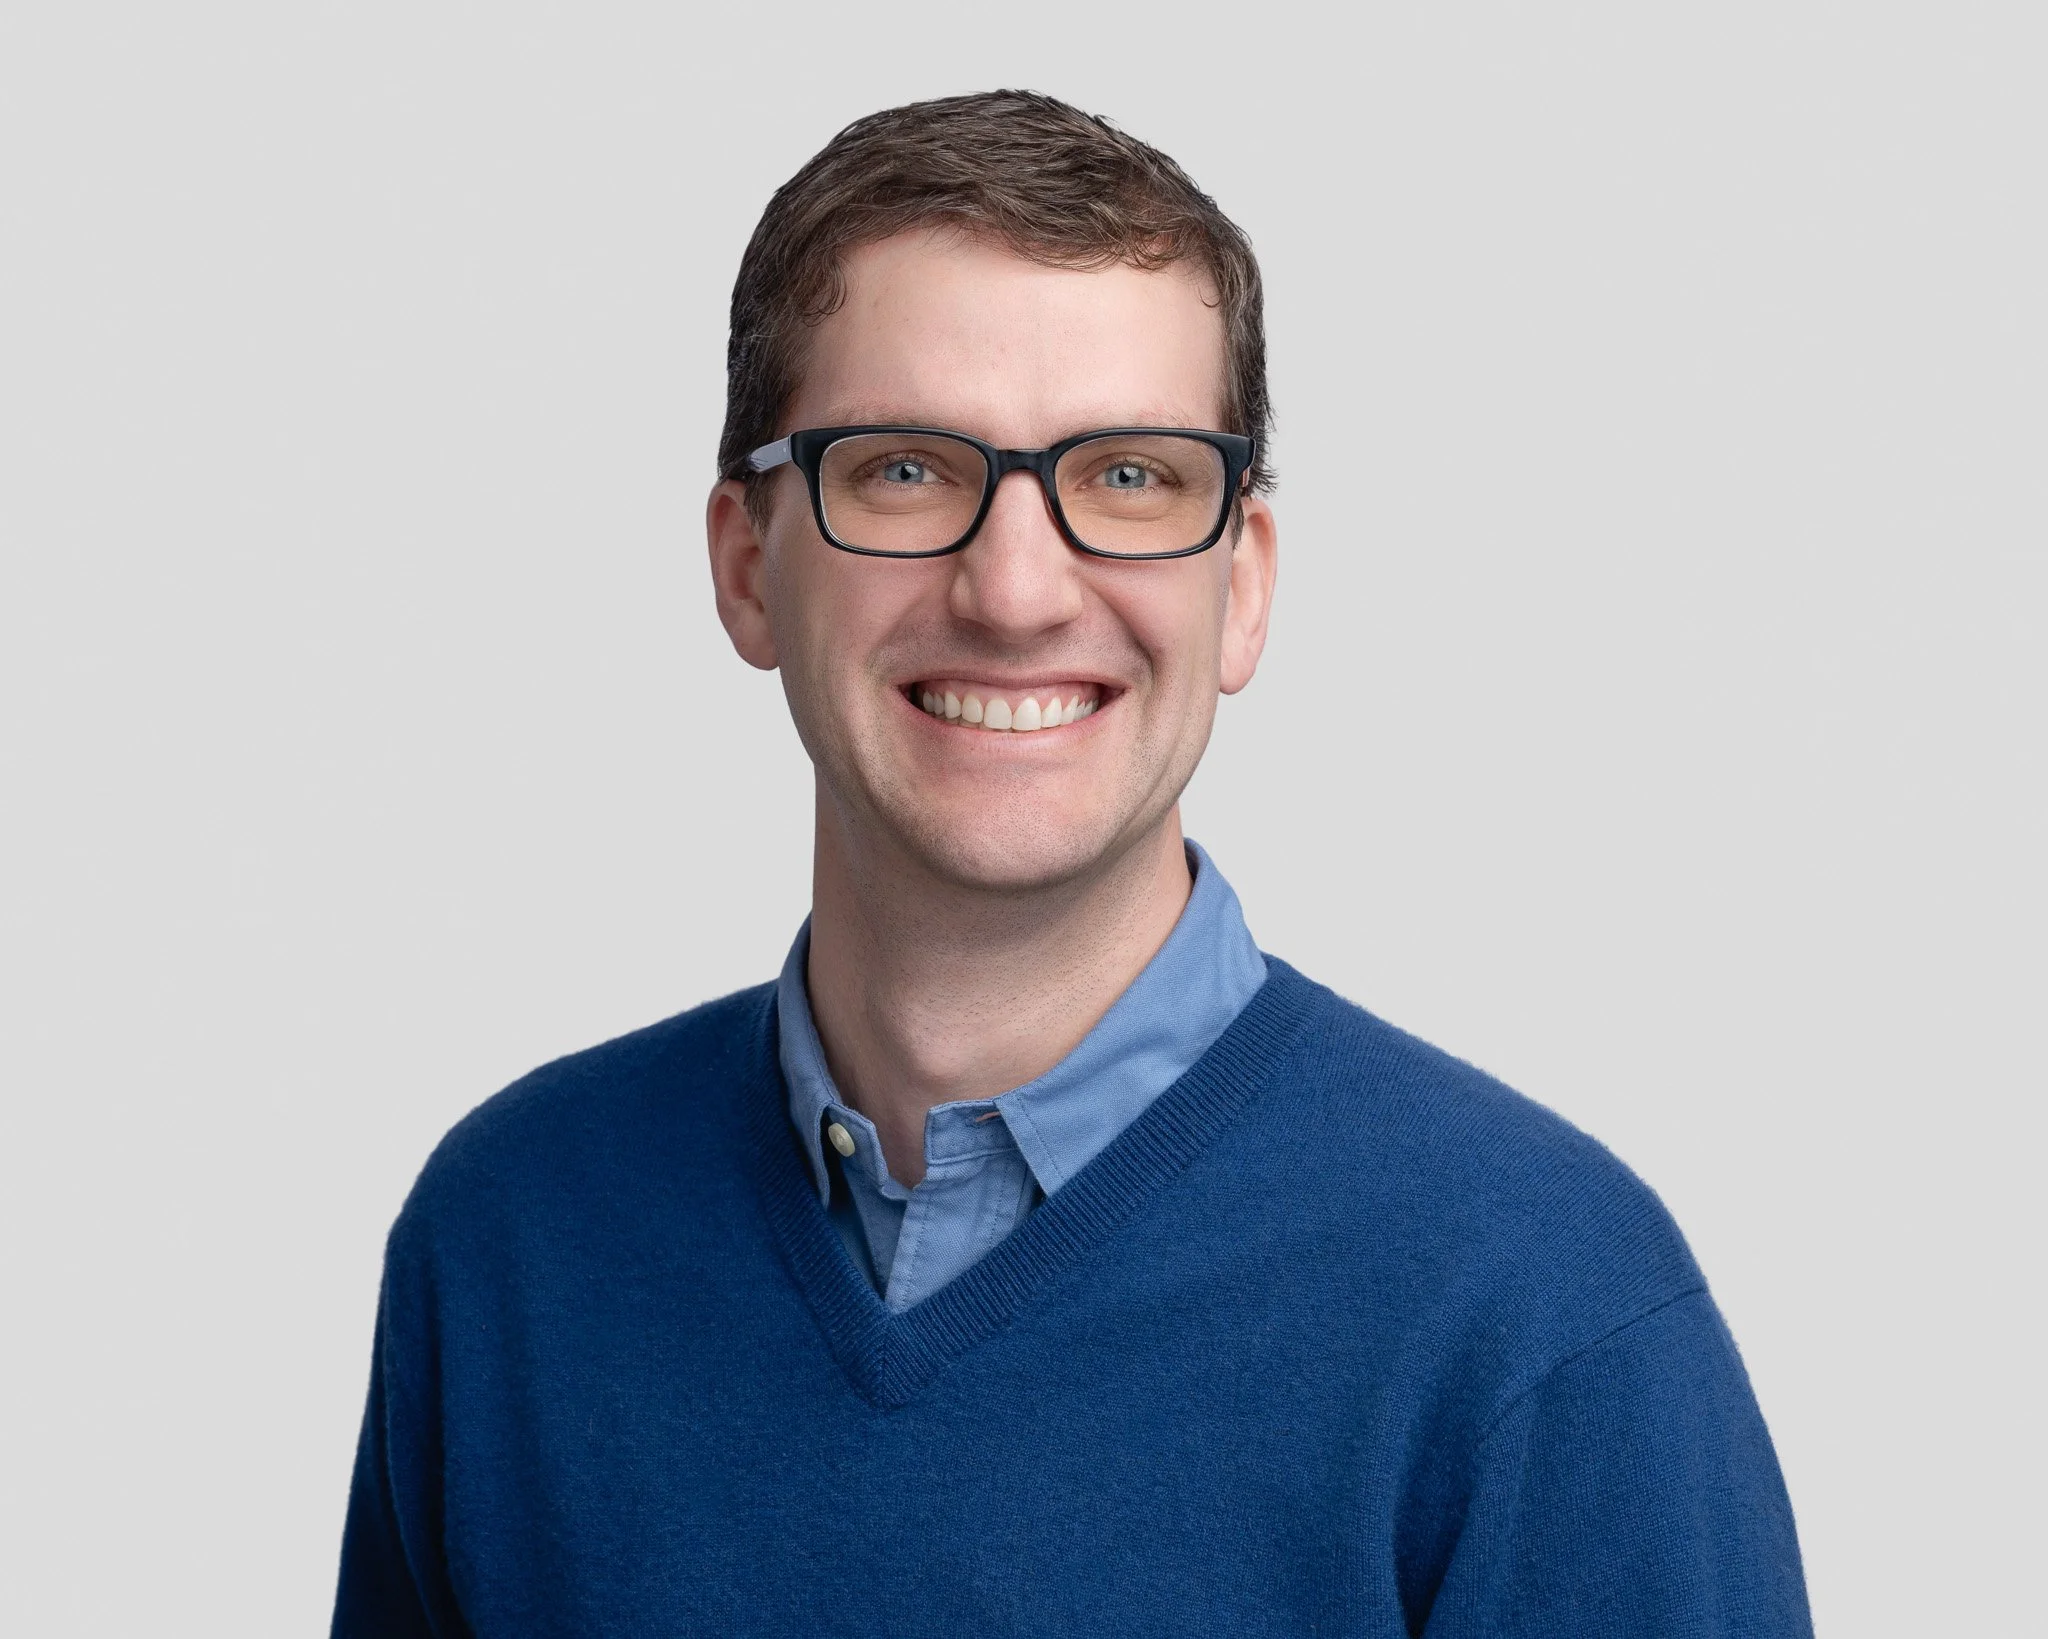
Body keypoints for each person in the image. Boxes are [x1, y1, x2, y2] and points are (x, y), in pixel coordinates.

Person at [332, 90, 1812, 1637]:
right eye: (902, 468)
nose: (1017, 588)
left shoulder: (1545, 1322)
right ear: (742, 563)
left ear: (1243, 589)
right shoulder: (509, 1242)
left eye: (1129, 477)